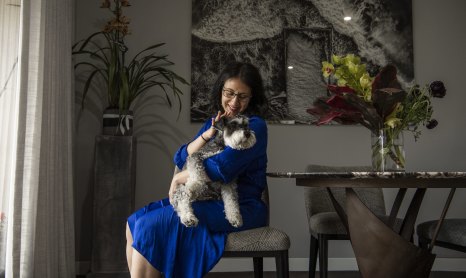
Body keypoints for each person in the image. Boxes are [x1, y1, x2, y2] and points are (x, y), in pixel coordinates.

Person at [126, 61, 269, 278]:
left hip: (242, 206)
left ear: (253, 98)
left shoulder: (253, 126)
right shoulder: (215, 123)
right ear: (220, 90)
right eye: (229, 93)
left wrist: (180, 178)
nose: (233, 101)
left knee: (150, 225)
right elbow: (180, 156)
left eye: (242, 96)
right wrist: (205, 135)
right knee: (134, 222)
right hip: (205, 199)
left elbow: (222, 168)